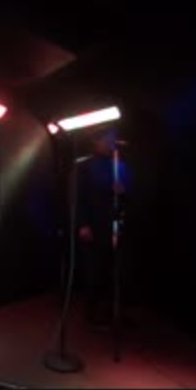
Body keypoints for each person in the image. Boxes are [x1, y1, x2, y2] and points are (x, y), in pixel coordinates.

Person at [75, 131, 131, 327]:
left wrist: (123, 192)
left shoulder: (119, 165)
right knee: (94, 271)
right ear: (96, 141)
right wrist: (82, 224)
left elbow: (127, 197)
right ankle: (91, 314)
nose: (111, 143)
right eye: (107, 140)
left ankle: (111, 311)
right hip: (94, 225)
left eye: (113, 140)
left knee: (113, 270)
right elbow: (79, 197)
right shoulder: (85, 166)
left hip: (114, 225)